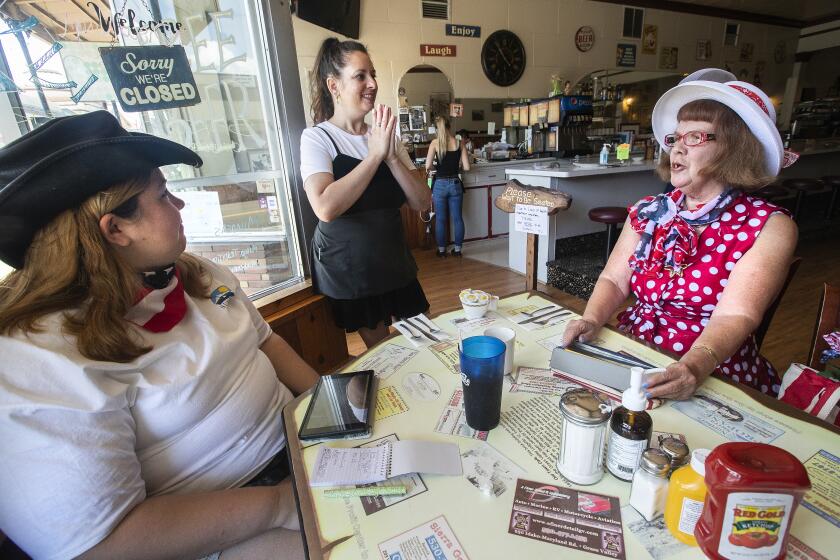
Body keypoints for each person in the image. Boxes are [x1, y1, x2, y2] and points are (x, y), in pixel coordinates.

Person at [0, 111, 319, 560]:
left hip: (302, 456)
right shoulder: (35, 358)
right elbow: (101, 544)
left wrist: (332, 406)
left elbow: (266, 341)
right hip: (228, 526)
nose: (180, 207)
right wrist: (285, 504)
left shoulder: (199, 275)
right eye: (164, 196)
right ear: (116, 229)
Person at [562, 71, 799, 400]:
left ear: (734, 149)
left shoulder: (767, 225)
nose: (676, 149)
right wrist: (591, 319)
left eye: (695, 138)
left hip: (710, 369)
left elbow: (737, 314)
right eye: (675, 138)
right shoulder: (650, 210)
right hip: (636, 350)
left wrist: (694, 367)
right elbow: (615, 280)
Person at [300, 38, 431, 348]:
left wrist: (389, 156)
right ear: (334, 85)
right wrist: (373, 157)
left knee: (427, 340)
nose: (372, 83)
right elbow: (325, 207)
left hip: (393, 259)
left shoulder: (385, 135)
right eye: (361, 76)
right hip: (350, 268)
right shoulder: (317, 139)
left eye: (373, 74)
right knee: (383, 353)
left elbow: (422, 201)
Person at [426, 116, 471, 257]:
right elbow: (467, 167)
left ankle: (441, 251)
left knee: (440, 219)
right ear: (449, 126)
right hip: (455, 183)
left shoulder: (434, 143)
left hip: (439, 184)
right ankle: (457, 250)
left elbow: (428, 166)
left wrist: (436, 168)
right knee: (457, 218)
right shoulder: (459, 143)